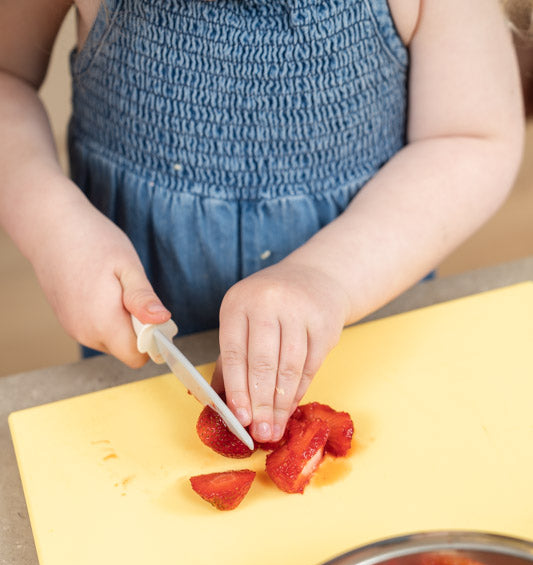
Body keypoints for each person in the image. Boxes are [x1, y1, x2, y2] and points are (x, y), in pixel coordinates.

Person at [0, 0, 526, 445]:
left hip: (364, 311)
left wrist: (329, 278)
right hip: (139, 320)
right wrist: (53, 227)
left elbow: (471, 137)